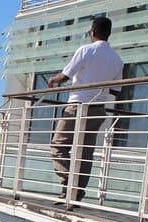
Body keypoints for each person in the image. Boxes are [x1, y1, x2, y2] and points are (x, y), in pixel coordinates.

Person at [47, 17, 123, 204]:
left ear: (93, 31)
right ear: (109, 33)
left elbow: (65, 76)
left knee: (58, 146)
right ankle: (77, 193)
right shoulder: (117, 59)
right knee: (85, 152)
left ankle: (68, 185)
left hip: (78, 106)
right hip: (98, 110)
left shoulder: (86, 50)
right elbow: (116, 89)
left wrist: (52, 80)